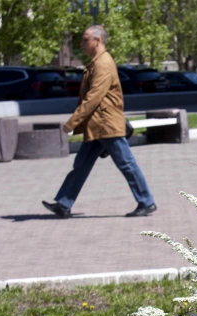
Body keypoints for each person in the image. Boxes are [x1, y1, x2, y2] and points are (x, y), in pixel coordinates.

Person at [42, 25, 157, 218]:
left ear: (98, 41)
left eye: (85, 39)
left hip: (107, 125)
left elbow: (94, 97)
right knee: (81, 165)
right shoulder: (97, 62)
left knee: (126, 163)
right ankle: (64, 203)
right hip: (98, 125)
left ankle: (146, 201)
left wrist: (72, 122)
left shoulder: (103, 63)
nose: (82, 43)